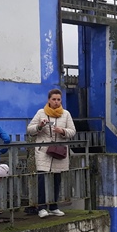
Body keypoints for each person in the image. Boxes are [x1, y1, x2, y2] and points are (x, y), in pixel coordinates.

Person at [27, 88, 75, 218]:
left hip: (59, 150)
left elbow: (72, 131)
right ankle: (42, 207)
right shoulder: (41, 113)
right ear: (49, 100)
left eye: (58, 99)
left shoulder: (66, 114)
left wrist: (63, 131)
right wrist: (40, 126)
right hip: (44, 150)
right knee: (42, 177)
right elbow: (30, 130)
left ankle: (54, 206)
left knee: (57, 178)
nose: (56, 102)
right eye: (53, 99)